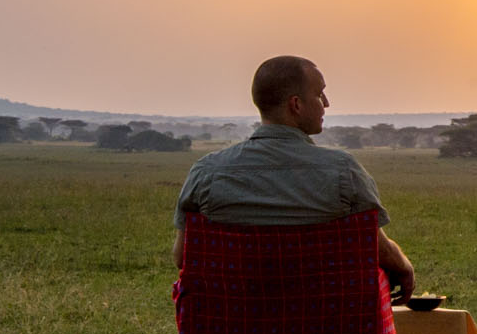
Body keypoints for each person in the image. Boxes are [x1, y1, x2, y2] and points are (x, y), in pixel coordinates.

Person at [173, 55, 417, 301]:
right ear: (296, 105)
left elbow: (183, 257)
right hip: (328, 329)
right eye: (320, 95)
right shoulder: (344, 172)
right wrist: (404, 267)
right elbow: (377, 248)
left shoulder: (206, 173)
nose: (327, 104)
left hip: (230, 331)